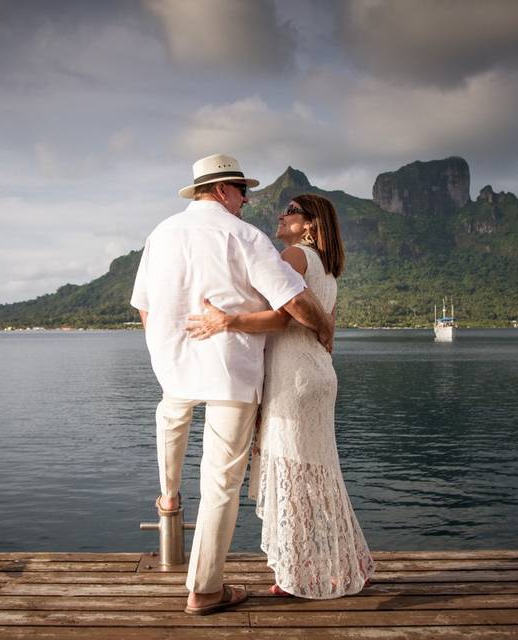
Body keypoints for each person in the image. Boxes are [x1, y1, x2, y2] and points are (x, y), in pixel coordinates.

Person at [130, 154, 335, 615]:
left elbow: (143, 306)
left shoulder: (160, 234)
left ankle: (168, 494)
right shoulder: (244, 236)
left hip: (174, 365)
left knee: (173, 413)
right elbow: (294, 300)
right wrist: (325, 328)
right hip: (231, 371)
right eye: (243, 192)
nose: (246, 201)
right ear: (224, 191)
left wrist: (163, 345)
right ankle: (204, 589)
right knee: (221, 484)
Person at [186, 193, 375, 599]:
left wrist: (226, 320)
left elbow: (280, 315)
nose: (280, 215)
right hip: (319, 377)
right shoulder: (329, 269)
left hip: (293, 380)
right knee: (321, 476)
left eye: (290, 212)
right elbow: (327, 331)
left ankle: (296, 577)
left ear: (310, 224)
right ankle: (350, 562)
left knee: (293, 479)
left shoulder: (293, 256)